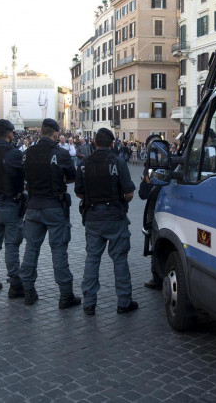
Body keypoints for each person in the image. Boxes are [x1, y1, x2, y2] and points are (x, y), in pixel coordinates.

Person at [18, 118, 81, 308]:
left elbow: (23, 177)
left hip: (33, 206)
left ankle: (28, 291)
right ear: (54, 133)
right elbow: (72, 177)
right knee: (59, 251)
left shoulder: (27, 153)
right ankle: (65, 294)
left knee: (31, 249)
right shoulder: (60, 154)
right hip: (54, 206)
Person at [76, 128, 137, 315]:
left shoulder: (84, 164)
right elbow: (129, 194)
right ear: (112, 144)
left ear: (95, 143)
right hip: (114, 216)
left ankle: (89, 302)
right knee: (120, 259)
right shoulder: (118, 162)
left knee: (92, 258)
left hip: (93, 216)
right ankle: (124, 302)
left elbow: (79, 192)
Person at [0, 119, 26, 297]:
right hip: (10, 203)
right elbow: (23, 174)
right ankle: (15, 283)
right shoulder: (13, 153)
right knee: (11, 245)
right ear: (9, 133)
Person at [139, 154, 164, 291]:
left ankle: (157, 277)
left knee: (154, 243)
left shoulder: (151, 167)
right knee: (154, 242)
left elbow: (143, 194)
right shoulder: (154, 166)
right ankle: (157, 276)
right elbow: (143, 194)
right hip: (158, 211)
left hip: (156, 211)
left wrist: (146, 182)